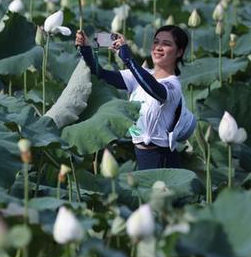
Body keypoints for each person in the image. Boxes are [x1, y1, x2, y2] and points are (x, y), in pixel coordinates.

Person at [76, 25, 195, 170]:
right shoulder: (137, 76)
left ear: (179, 52)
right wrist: (86, 49)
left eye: (166, 44)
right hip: (141, 155)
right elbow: (101, 74)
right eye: (156, 42)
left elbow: (154, 89)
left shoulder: (173, 85)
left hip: (162, 158)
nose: (158, 47)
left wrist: (128, 60)